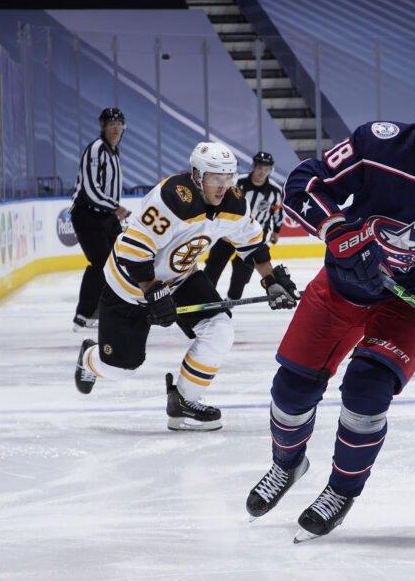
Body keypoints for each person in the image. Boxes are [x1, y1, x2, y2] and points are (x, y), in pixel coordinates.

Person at [244, 73, 415, 541]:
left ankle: (341, 490)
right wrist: (336, 232)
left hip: (412, 302)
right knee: (291, 390)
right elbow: (305, 184)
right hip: (344, 283)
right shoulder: (377, 145)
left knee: (367, 392)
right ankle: (287, 464)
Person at [72, 141, 300, 431]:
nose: (223, 186)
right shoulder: (171, 198)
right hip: (128, 286)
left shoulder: (233, 201)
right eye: (215, 178)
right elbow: (134, 250)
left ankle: (183, 401)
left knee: (219, 329)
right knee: (120, 370)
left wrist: (270, 279)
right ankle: (89, 358)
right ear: (197, 175)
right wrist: (153, 291)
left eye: (228, 177)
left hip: (181, 279)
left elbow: (250, 240)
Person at [70, 108, 129, 331]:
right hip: (87, 214)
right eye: (110, 124)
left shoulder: (114, 151)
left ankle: (107, 310)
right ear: (103, 127)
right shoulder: (96, 150)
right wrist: (115, 207)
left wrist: (114, 210)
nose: (115, 128)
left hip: (105, 215)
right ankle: (83, 315)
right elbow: (90, 190)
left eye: (118, 124)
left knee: (118, 260)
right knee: (101, 262)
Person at [203, 150, 284, 299]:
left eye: (266, 169)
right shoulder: (236, 182)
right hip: (226, 235)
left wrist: (276, 231)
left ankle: (231, 301)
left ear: (271, 170)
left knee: (242, 274)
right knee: (213, 268)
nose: (262, 172)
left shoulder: (275, 190)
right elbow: (218, 203)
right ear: (253, 166)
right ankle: (205, 299)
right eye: (260, 167)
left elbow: (277, 212)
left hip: (254, 238)